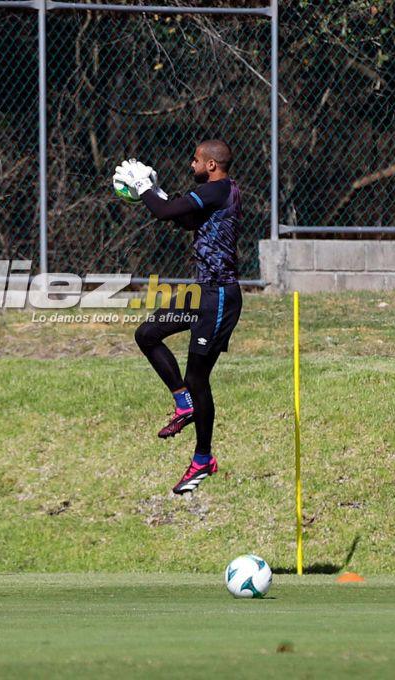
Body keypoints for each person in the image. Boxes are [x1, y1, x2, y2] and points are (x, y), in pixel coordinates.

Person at [114, 140, 243, 494]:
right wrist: (156, 191)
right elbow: (183, 218)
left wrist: (144, 190)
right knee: (148, 334)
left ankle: (203, 459)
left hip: (219, 297)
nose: (192, 164)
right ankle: (182, 403)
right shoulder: (216, 191)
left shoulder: (218, 190)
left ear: (212, 165)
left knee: (198, 377)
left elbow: (165, 213)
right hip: (202, 292)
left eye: (197, 160)